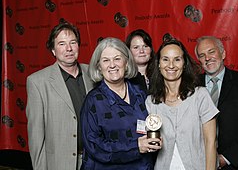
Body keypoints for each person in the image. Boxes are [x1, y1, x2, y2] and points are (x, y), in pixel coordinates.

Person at [80, 37, 162, 170]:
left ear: (127, 63)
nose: (112, 65)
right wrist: (135, 146)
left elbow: (151, 126)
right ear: (99, 67)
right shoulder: (93, 101)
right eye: (106, 60)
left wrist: (154, 140)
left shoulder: (140, 93)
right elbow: (94, 146)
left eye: (117, 58)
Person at [26, 21, 93, 170]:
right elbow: (36, 137)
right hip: (60, 163)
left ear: (78, 46)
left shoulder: (93, 74)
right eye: (62, 44)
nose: (68, 48)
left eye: (73, 42)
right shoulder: (37, 82)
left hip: (94, 161)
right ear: (53, 50)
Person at [145, 37, 218, 170]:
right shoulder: (151, 102)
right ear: (159, 64)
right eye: (165, 59)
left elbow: (210, 143)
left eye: (177, 59)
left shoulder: (200, 96)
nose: (171, 65)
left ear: (184, 64)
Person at [195, 36, 238, 170]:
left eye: (211, 52)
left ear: (223, 53)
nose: (207, 58)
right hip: (198, 161)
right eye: (202, 55)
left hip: (235, 163)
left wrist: (226, 158)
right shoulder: (191, 85)